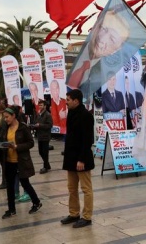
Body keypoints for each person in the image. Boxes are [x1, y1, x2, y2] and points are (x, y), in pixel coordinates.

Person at [60, 89, 94, 228]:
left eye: (68, 100)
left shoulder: (85, 115)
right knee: (72, 188)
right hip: (70, 157)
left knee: (86, 189)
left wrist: (81, 159)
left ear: (76, 101)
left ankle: (87, 217)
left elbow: (87, 140)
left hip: (82, 158)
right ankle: (74, 213)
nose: (66, 102)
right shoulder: (71, 113)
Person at [0, 107, 42, 219]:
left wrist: (17, 147)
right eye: (4, 117)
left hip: (21, 161)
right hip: (9, 161)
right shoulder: (6, 127)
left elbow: (31, 143)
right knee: (10, 186)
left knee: (25, 183)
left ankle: (36, 202)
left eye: (7, 117)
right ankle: (11, 209)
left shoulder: (23, 127)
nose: (5, 119)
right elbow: (1, 139)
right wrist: (2, 144)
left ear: (13, 116)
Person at [33, 100, 53, 174]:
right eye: (39, 105)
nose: (40, 106)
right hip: (39, 136)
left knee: (45, 152)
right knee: (40, 152)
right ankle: (47, 164)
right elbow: (36, 122)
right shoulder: (39, 114)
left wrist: (40, 125)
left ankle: (45, 167)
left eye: (41, 105)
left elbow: (50, 125)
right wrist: (34, 126)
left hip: (45, 136)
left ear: (45, 106)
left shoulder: (48, 115)